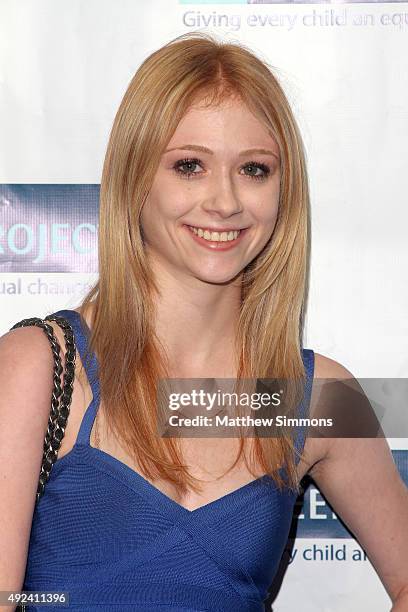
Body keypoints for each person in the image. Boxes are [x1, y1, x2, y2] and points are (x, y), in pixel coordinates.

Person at [1, 31, 407, 612]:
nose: (224, 201)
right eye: (189, 166)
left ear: (283, 190)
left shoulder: (313, 398)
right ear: (135, 178)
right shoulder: (39, 368)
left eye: (255, 169)